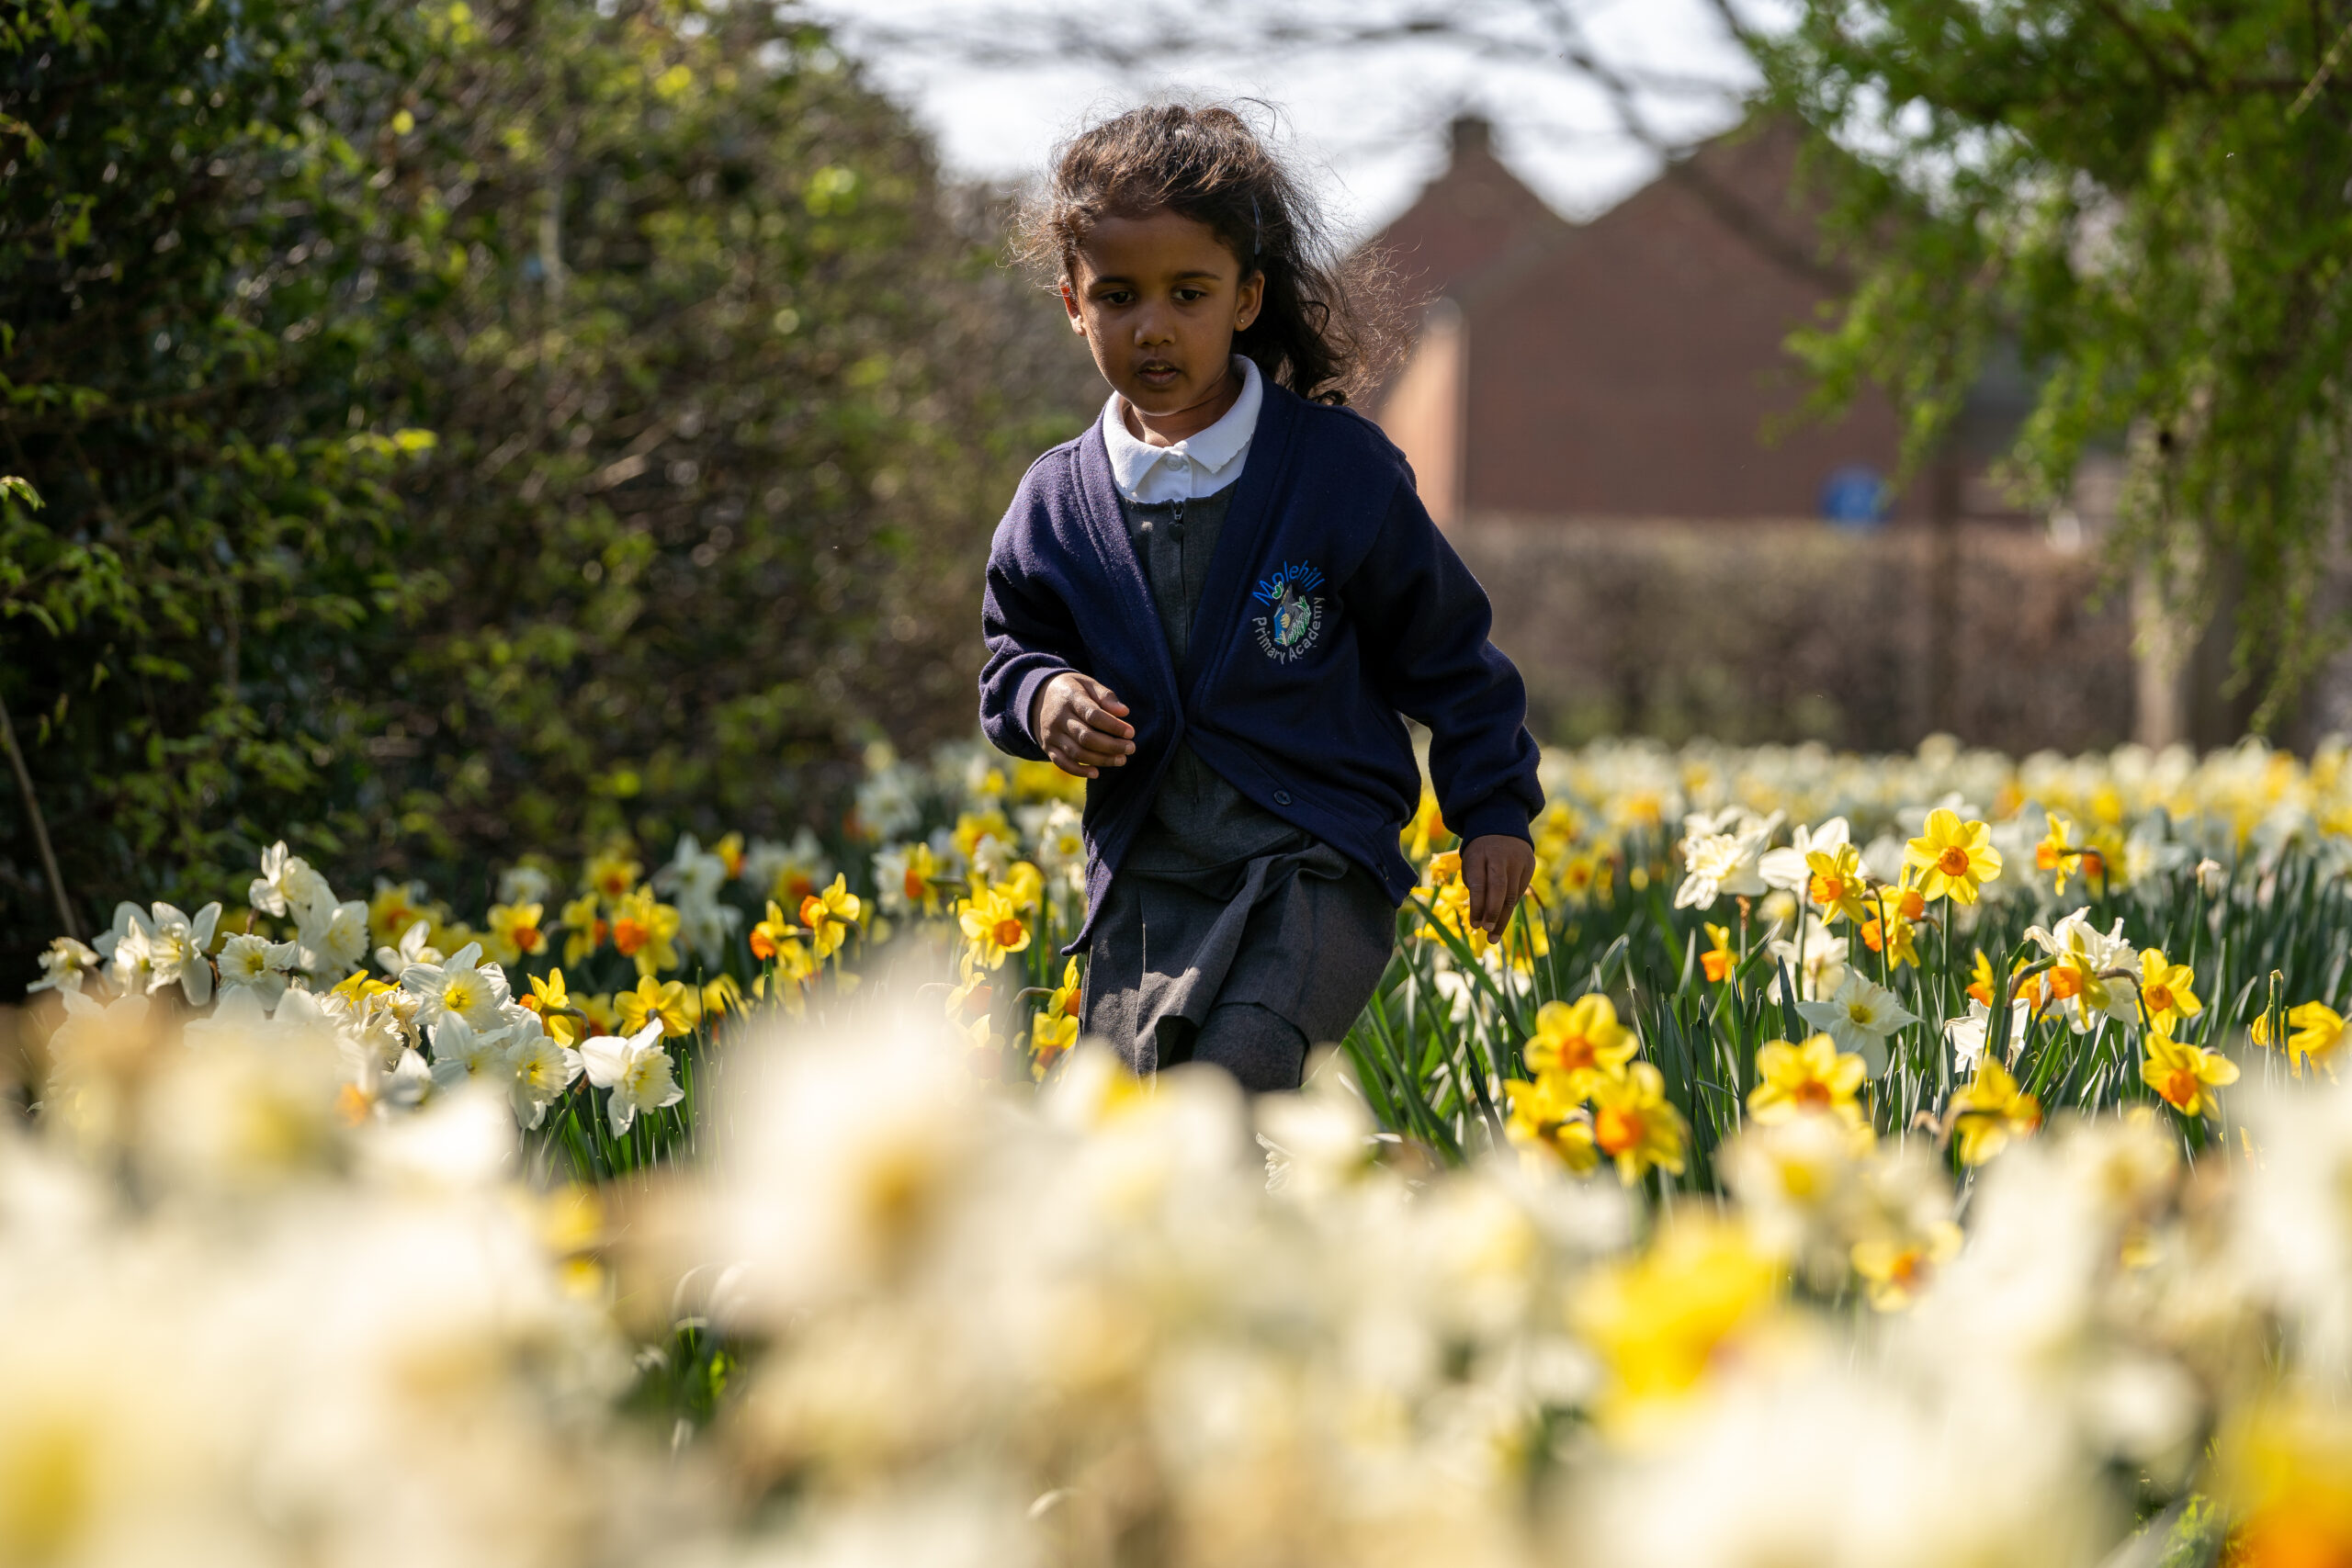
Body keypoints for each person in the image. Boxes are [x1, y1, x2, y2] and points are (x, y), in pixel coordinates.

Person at [979, 103, 1543, 1093]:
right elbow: (1011, 655)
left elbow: (1448, 653)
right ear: (1073, 302)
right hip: (1149, 880)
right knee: (1133, 1143)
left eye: (1187, 293)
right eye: (1117, 297)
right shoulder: (1055, 503)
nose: (1152, 326)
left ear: (1246, 298)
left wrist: (1492, 807)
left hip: (1312, 859)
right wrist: (1045, 698)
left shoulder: (1336, 472)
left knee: (1235, 1085)